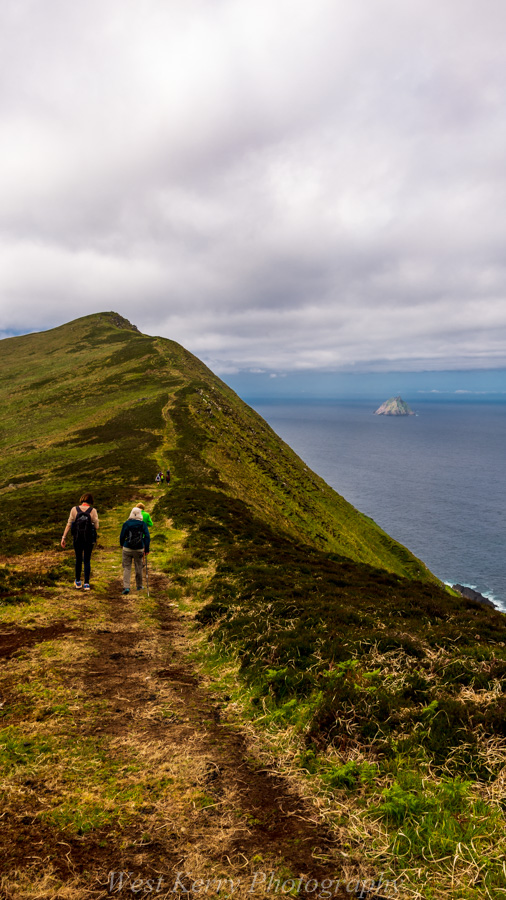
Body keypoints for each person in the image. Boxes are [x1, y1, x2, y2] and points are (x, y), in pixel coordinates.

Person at [61, 492, 99, 590]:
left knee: (78, 559)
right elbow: (97, 527)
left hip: (77, 538)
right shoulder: (93, 510)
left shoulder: (74, 509)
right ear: (91, 501)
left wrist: (63, 537)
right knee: (87, 560)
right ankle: (86, 583)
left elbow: (69, 524)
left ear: (82, 499)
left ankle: (78, 581)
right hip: (88, 539)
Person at [119, 507, 150, 596]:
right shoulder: (142, 524)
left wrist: (122, 544)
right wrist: (146, 549)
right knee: (138, 566)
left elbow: (122, 536)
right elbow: (147, 537)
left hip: (127, 548)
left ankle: (126, 587)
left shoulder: (126, 523)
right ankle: (139, 586)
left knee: (127, 567)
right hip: (139, 549)